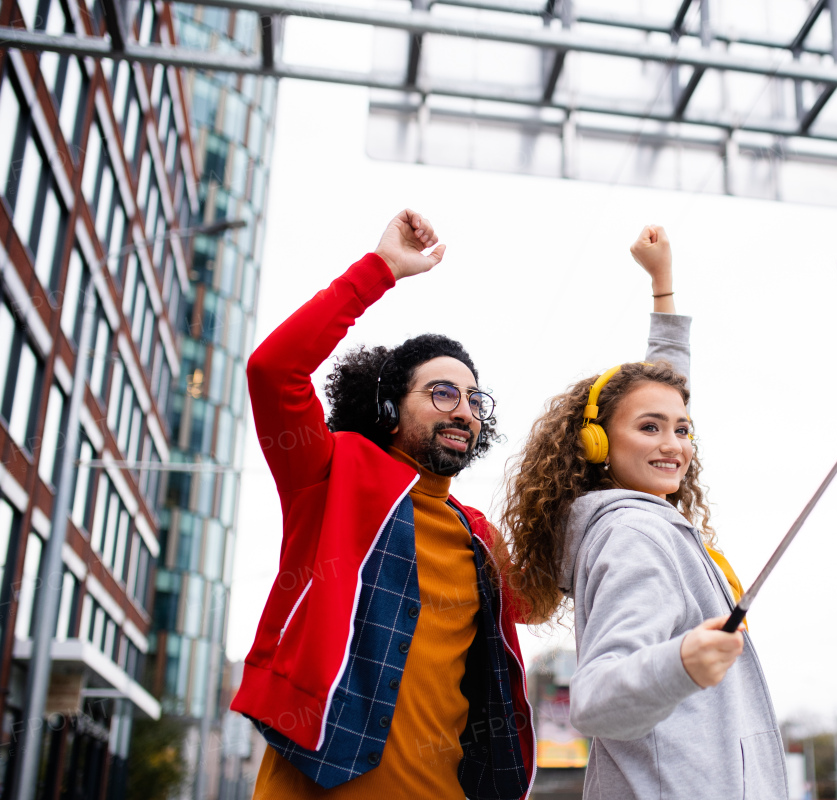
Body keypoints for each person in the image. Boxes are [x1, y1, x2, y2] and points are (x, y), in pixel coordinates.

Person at [231, 210, 690, 800]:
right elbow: (273, 371)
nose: (464, 410)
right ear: (391, 409)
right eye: (442, 392)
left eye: (474, 399)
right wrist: (381, 270)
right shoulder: (330, 474)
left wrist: (662, 298)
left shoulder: (479, 539)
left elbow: (641, 458)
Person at [503, 227, 789, 799]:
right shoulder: (635, 535)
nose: (674, 445)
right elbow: (598, 698)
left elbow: (661, 389)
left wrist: (663, 288)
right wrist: (680, 662)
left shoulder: (641, 514)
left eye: (682, 429)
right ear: (597, 444)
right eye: (650, 430)